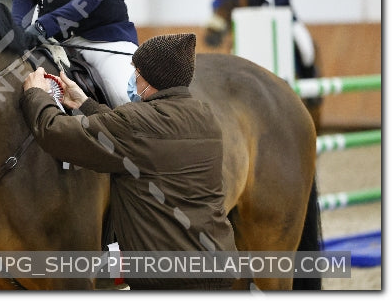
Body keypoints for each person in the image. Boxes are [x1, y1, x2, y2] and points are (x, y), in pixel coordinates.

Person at [20, 33, 236, 290]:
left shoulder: (136, 123)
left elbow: (54, 131)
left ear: (152, 79)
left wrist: (36, 94)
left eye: (138, 71)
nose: (133, 77)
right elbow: (137, 138)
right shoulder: (205, 116)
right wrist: (86, 104)